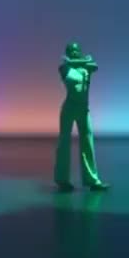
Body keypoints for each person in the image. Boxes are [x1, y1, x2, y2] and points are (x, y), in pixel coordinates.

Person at [55, 41, 109, 191]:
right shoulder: (64, 68)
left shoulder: (86, 67)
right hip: (69, 108)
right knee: (64, 142)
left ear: (79, 51)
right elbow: (69, 64)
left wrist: (84, 61)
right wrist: (84, 60)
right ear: (67, 53)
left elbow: (95, 66)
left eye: (76, 50)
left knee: (87, 142)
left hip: (84, 109)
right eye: (71, 50)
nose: (74, 52)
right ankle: (62, 180)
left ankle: (93, 180)